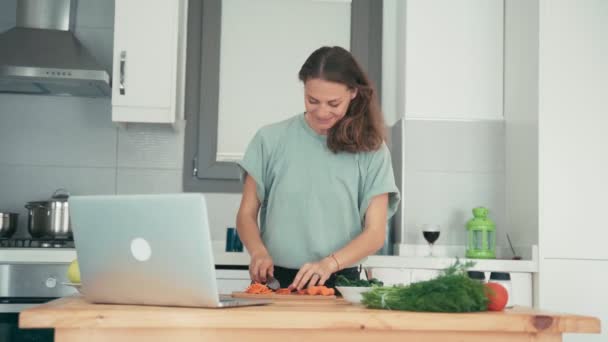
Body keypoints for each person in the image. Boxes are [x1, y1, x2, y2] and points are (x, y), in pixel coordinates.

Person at [236, 46, 400, 291]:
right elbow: (246, 214)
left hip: (340, 281)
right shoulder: (269, 140)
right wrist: (258, 252)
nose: (322, 112)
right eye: (312, 100)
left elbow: (375, 232)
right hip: (274, 281)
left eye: (334, 103)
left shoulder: (372, 150)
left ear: (353, 93)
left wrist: (329, 264)